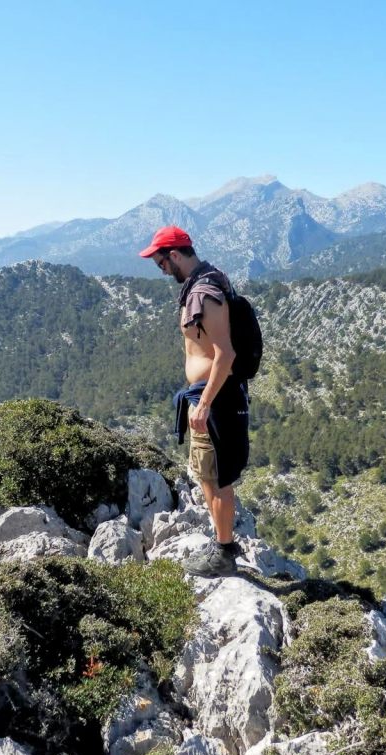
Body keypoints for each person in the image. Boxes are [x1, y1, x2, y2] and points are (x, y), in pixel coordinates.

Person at [139, 225, 250, 577]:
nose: (160, 269)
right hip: (207, 395)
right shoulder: (207, 281)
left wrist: (203, 405)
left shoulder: (204, 293)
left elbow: (225, 354)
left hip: (214, 398)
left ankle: (223, 553)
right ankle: (222, 543)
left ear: (174, 255)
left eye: (160, 262)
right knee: (207, 474)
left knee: (216, 478)